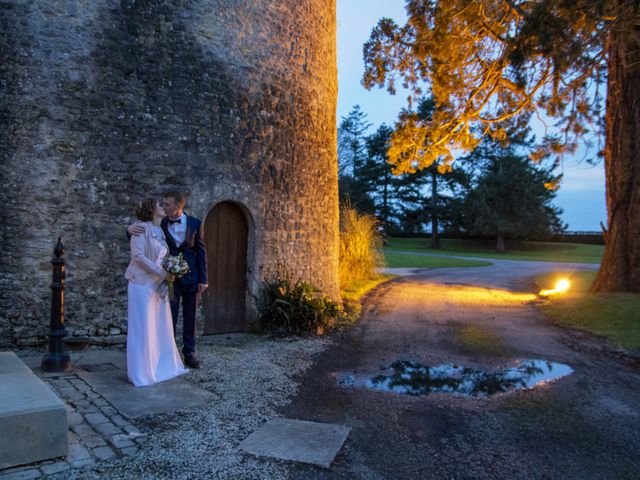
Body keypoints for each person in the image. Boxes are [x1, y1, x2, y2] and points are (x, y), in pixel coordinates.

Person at [128, 190, 208, 368]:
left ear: (179, 206)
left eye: (168, 204)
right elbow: (139, 232)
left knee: (190, 316)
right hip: (166, 278)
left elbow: (201, 252)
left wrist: (203, 279)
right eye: (163, 204)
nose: (164, 207)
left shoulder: (196, 223)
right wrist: (129, 229)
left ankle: (189, 353)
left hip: (191, 277)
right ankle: (166, 353)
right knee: (167, 317)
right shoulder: (160, 222)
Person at [125, 198, 188, 387]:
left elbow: (162, 255)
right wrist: (162, 273)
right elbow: (138, 257)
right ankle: (141, 373)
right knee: (142, 328)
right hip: (142, 285)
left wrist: (170, 271)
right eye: (160, 205)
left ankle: (161, 367)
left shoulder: (159, 230)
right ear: (152, 210)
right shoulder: (140, 228)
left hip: (157, 286)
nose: (163, 207)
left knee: (159, 326)